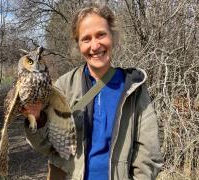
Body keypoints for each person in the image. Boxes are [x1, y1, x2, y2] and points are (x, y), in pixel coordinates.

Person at [22, 3, 163, 180]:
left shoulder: (134, 87)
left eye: (101, 35)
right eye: (86, 39)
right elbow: (46, 146)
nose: (95, 46)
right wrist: (38, 119)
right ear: (78, 44)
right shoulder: (64, 86)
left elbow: (148, 154)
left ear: (113, 36)